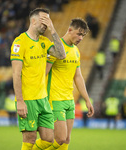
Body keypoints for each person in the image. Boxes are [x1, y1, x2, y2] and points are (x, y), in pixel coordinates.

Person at [10, 8, 66, 150]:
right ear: (33, 20)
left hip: (43, 99)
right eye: (44, 20)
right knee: (29, 140)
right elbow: (16, 74)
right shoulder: (19, 42)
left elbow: (61, 54)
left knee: (48, 139)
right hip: (27, 99)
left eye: (48, 21)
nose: (46, 24)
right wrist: (20, 101)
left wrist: (53, 30)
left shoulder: (44, 41)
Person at [39, 18, 94, 150]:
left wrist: (87, 99)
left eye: (83, 35)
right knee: (60, 138)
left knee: (66, 140)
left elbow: (78, 76)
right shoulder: (56, 48)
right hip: (55, 98)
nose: (81, 38)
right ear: (70, 30)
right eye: (79, 34)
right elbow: (44, 73)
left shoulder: (76, 51)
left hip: (69, 100)